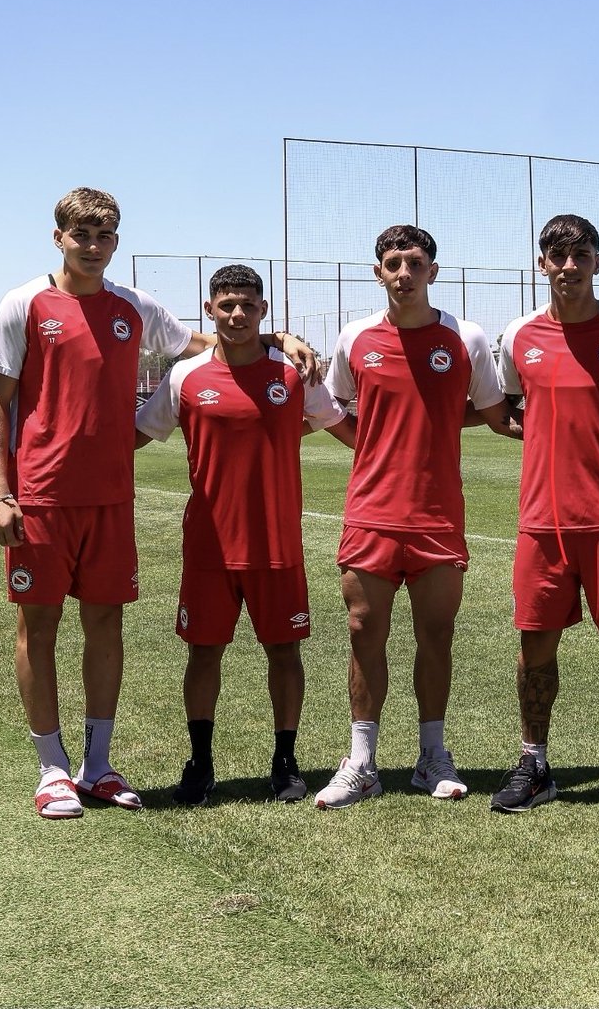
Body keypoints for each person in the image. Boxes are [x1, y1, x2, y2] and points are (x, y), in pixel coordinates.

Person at [0, 188, 315, 820]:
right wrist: (0, 492)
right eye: (82, 234)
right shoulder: (22, 304)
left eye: (105, 235)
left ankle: (98, 765)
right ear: (59, 237)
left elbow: (213, 342)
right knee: (40, 626)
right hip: (41, 496)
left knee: (106, 625)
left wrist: (278, 337)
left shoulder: (134, 308)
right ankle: (52, 769)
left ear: (116, 241)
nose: (94, 245)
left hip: (111, 497)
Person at [135, 264, 355, 806]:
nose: (237, 314)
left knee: (284, 653)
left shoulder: (294, 374)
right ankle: (200, 763)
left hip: (277, 545)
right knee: (204, 653)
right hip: (208, 547)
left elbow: (345, 429)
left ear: (263, 311)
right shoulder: (185, 377)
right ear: (210, 310)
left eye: (248, 306)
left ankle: (285, 762)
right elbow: (136, 436)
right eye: (226, 305)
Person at [313, 224, 516, 809]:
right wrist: (375, 442)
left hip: (436, 515)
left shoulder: (466, 338)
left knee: (437, 635)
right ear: (378, 271)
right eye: (393, 263)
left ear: (433, 270)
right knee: (363, 633)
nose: (404, 272)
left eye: (415, 262)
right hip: (371, 513)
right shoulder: (355, 338)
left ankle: (432, 758)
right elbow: (334, 409)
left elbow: (490, 412)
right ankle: (362, 762)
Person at [491, 213, 599, 819]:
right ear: (542, 263)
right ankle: (534, 761)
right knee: (534, 647)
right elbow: (512, 410)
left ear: (597, 261)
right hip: (543, 520)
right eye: (557, 255)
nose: (568, 266)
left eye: (580, 254)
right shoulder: (519, 334)